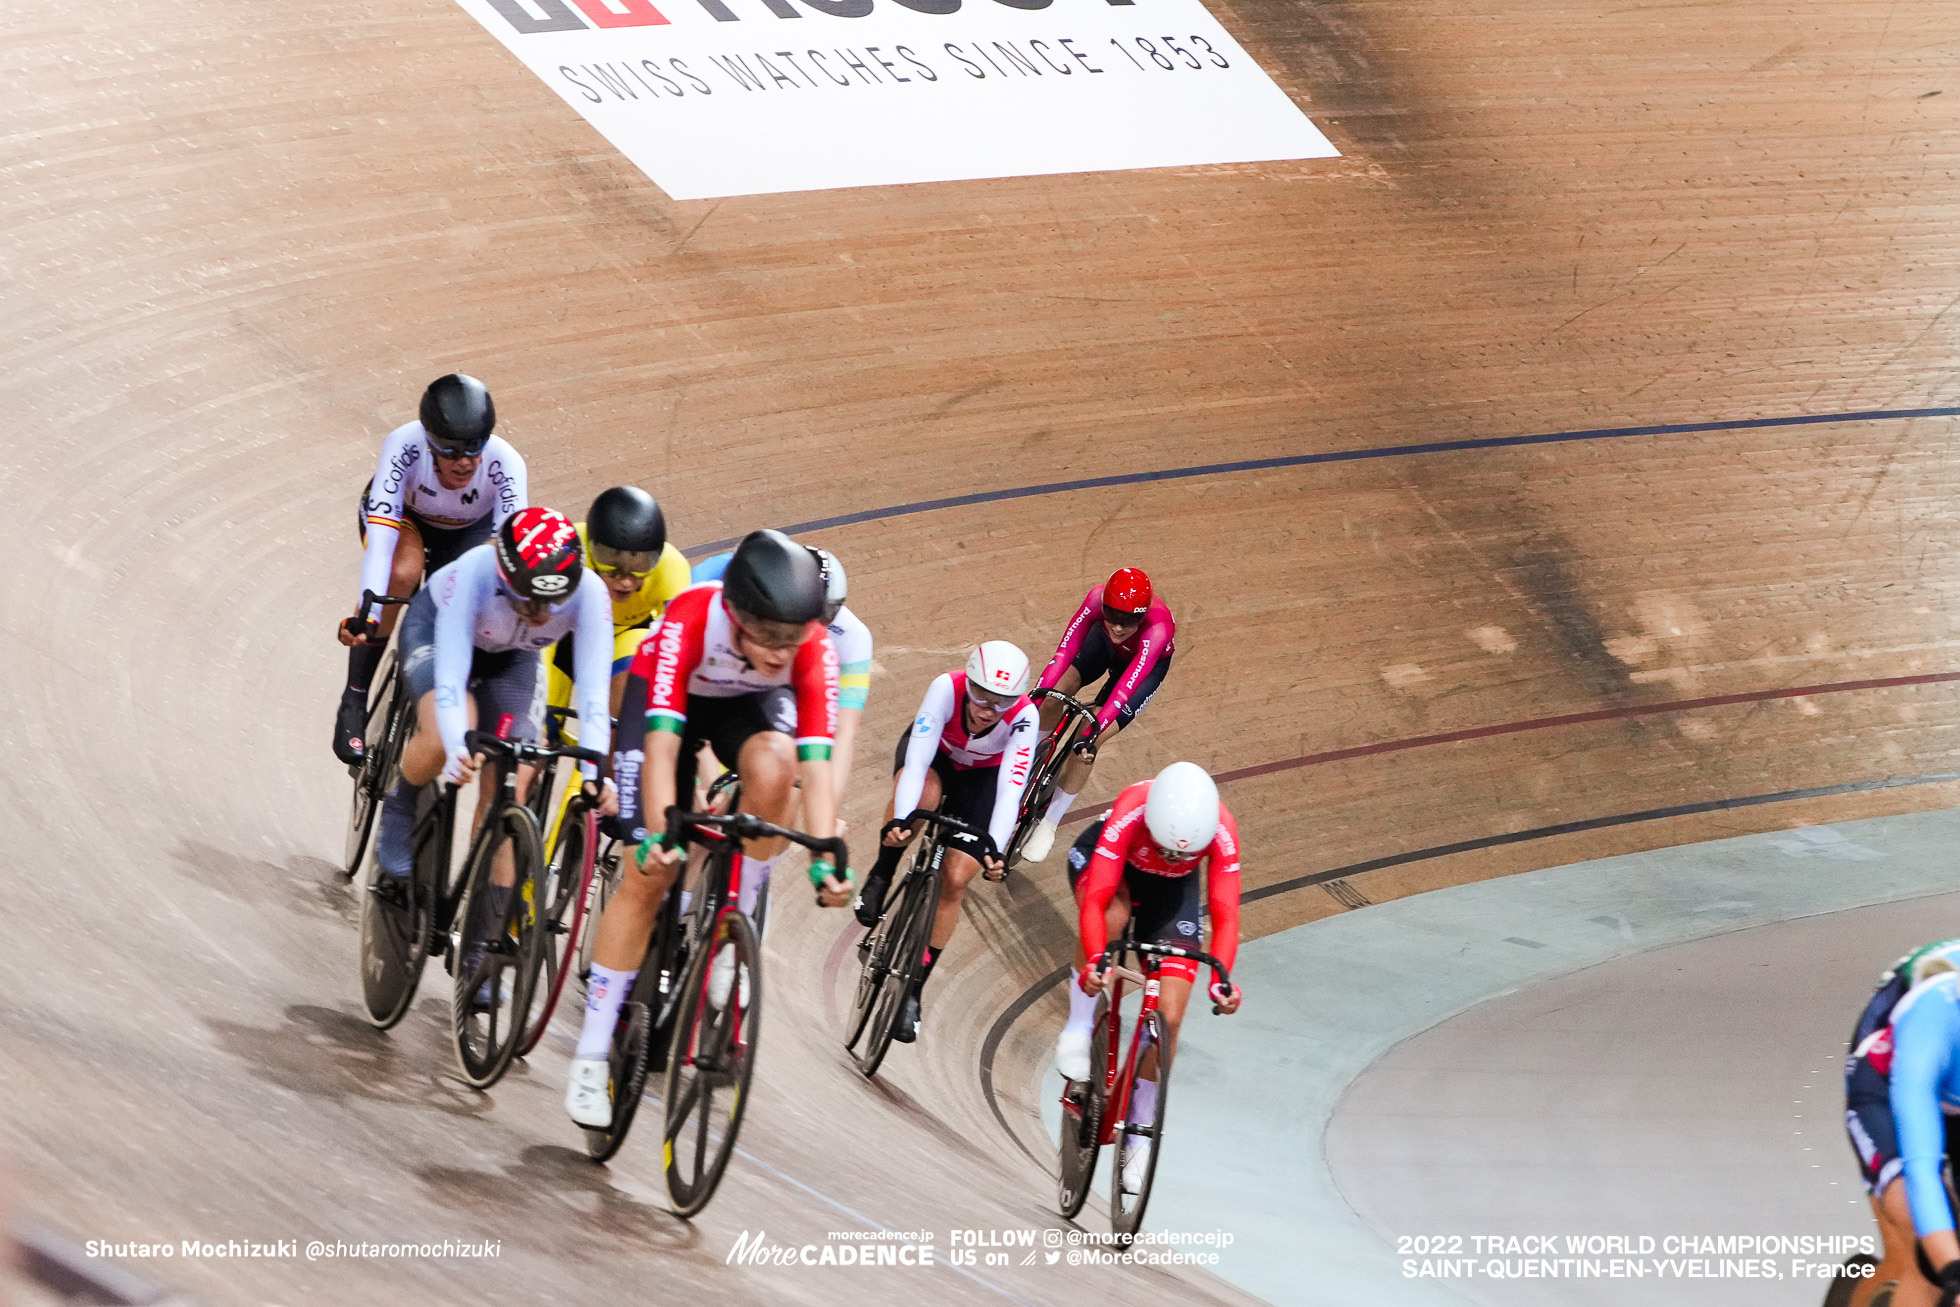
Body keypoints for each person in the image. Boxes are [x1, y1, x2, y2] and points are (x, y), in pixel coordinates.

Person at [565, 530, 849, 1129]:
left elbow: (818, 763)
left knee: (779, 767)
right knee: (650, 871)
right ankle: (591, 1053)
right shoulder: (693, 617)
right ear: (737, 615)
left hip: (744, 711)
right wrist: (661, 828)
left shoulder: (812, 647)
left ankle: (731, 925)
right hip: (667, 708)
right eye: (769, 636)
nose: (781, 651)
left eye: (791, 638)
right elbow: (664, 744)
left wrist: (826, 852)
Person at [369, 508, 616, 902]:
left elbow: (593, 692)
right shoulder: (476, 572)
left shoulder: (590, 593)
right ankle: (401, 803)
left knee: (511, 783)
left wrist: (595, 770)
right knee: (444, 736)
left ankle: (485, 925)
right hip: (438, 635)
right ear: (505, 577)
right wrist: (454, 743)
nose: (542, 614)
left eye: (554, 602)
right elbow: (451, 674)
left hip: (512, 659)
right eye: (529, 601)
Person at [1054, 762, 1242, 1194]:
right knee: (1112, 915)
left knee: (1170, 1017)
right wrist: (1096, 960)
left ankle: (1139, 1126)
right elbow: (1096, 898)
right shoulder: (1132, 808)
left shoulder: (1222, 829)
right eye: (1167, 848)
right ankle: (1080, 1027)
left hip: (1171, 895)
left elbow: (1226, 915)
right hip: (1112, 870)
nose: (1173, 856)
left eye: (1183, 853)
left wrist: (1222, 980)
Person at [333, 374, 527, 764]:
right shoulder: (404, 445)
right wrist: (367, 614)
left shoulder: (506, 464)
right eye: (452, 450)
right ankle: (354, 697)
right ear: (429, 441)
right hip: (405, 519)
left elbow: (507, 559)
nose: (465, 460)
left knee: (461, 598)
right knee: (403, 572)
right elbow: (382, 548)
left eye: (475, 447)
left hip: (466, 532)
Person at [853, 641, 1038, 1043]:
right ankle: (881, 875)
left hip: (982, 780)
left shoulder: (1025, 717)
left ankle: (913, 991)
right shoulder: (946, 687)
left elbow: (1010, 788)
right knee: (922, 799)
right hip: (935, 757)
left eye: (1001, 701)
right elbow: (918, 760)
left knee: (955, 878)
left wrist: (995, 849)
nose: (988, 708)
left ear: (1016, 700)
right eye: (981, 695)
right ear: (968, 682)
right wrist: (902, 818)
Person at [1018, 567, 1174, 862]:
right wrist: (1040, 691)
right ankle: (1026, 764)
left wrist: (1093, 733)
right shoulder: (1093, 601)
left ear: (1143, 616)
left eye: (1129, 621)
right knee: (1052, 697)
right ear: (1102, 605)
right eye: (1112, 616)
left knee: (1088, 737)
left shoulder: (1158, 629)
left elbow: (1125, 688)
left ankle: (1049, 824)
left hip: (1141, 670)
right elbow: (1063, 653)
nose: (1117, 627)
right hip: (1100, 647)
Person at [694, 544, 870, 803]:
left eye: (828, 615)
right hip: (727, 666)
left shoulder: (853, 637)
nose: (813, 629)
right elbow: (696, 693)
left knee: (787, 750)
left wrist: (827, 812)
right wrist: (703, 779)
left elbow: (843, 733)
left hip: (785, 681)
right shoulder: (713, 585)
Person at [1843, 940, 1960, 1307]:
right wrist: (1953, 1274)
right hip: (1884, 1083)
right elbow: (1921, 1169)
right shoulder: (1930, 1035)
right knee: (1922, 1251)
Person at [543, 485, 691, 725]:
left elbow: (679, 648)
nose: (625, 581)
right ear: (590, 548)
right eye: (612, 564)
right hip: (565, 635)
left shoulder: (672, 568)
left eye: (640, 566)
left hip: (627, 634)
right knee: (539, 721)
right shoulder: (566, 547)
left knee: (622, 714)